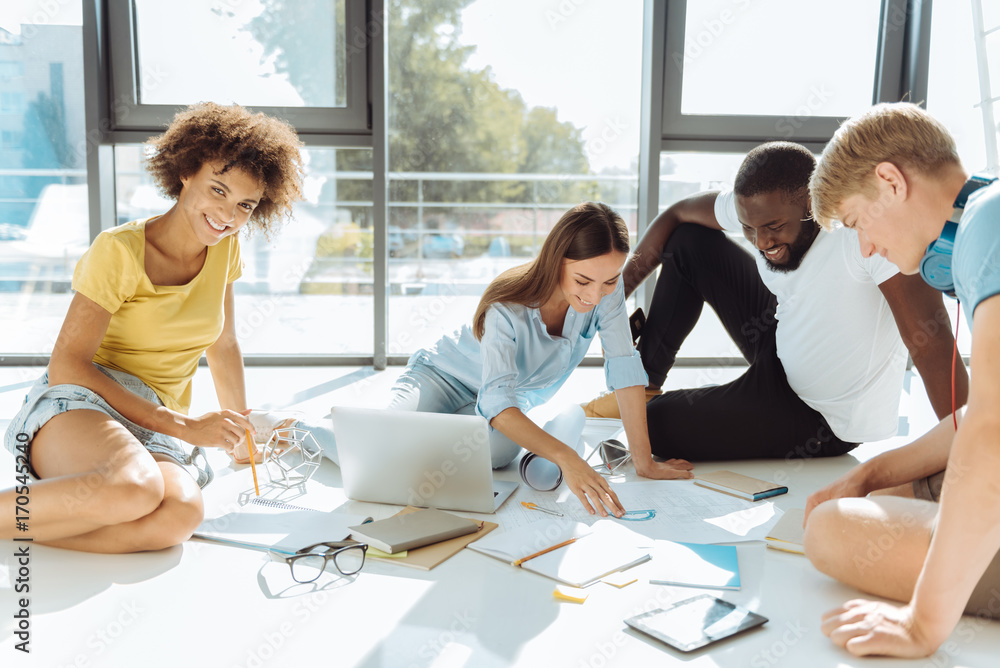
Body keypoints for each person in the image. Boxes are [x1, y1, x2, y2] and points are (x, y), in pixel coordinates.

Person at [1, 102, 304, 553]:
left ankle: (26, 526)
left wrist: (240, 436)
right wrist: (183, 425)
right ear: (186, 172)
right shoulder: (119, 251)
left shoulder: (225, 250)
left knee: (179, 517)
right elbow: (67, 365)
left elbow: (223, 345)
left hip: (157, 418)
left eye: (245, 205)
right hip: (85, 400)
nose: (228, 216)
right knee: (135, 489)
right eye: (217, 190)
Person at [301, 202, 694, 517]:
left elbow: (625, 369)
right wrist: (566, 457)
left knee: (501, 452)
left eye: (610, 280)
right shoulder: (507, 305)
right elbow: (497, 404)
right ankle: (295, 427)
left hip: (502, 397)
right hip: (442, 375)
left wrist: (644, 462)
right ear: (557, 260)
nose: (596, 295)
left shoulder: (605, 295)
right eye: (583, 281)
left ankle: (422, 440)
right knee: (380, 451)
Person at [582, 141, 965, 461]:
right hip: (779, 341)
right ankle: (644, 381)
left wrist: (967, 450)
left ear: (813, 206)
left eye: (774, 228)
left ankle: (649, 406)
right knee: (688, 242)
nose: (761, 242)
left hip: (817, 416)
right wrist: (611, 297)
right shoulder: (762, 207)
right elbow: (677, 213)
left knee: (651, 425)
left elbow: (932, 342)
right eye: (749, 228)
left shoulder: (866, 233)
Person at [802, 102, 1000, 658]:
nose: (865, 247)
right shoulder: (985, 216)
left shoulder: (988, 225)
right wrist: (868, 473)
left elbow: (991, 431)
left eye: (857, 222)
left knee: (830, 530)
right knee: (875, 493)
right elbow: (980, 412)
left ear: (890, 181)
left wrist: (922, 624)